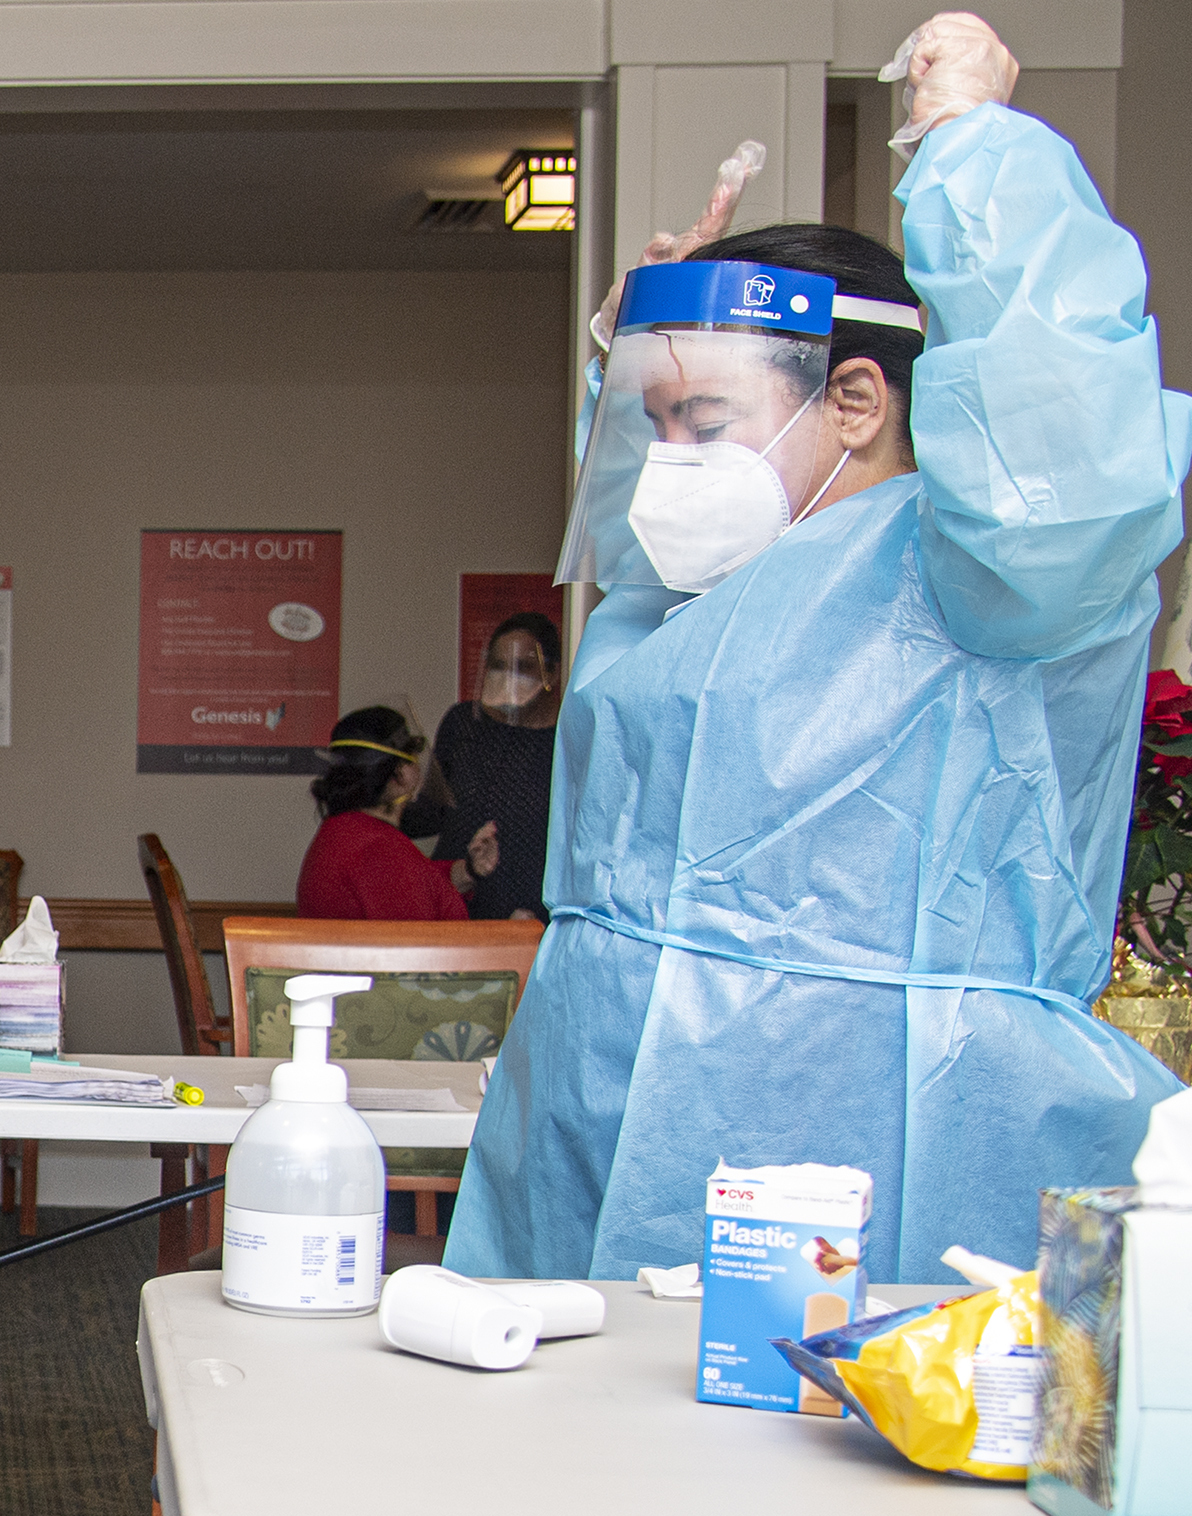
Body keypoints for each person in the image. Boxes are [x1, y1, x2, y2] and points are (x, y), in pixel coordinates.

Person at [446, 14, 1188, 1288]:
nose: (676, 461)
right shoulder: (689, 595)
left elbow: (1056, 452)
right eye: (658, 423)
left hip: (888, 1137)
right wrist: (646, 356)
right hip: (599, 1109)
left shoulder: (983, 572)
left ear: (856, 398)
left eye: (710, 420)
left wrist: (977, 158)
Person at [297, 706, 497, 920]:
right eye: (412, 756)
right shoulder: (379, 849)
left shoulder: (345, 830)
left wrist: (468, 871)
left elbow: (412, 882)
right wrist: (509, 934)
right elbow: (421, 942)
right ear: (398, 773)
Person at [426, 612, 562, 922]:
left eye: (522, 667)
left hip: (535, 915)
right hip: (460, 905)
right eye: (498, 666)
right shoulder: (464, 724)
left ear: (551, 673)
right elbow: (430, 811)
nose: (509, 678)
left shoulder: (568, 738)